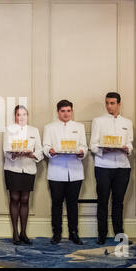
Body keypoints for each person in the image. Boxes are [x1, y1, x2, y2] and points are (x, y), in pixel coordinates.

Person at [90, 92, 133, 245]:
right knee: (102, 201)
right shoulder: (98, 121)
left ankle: (119, 234)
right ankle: (101, 234)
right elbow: (93, 145)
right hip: (103, 166)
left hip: (123, 167)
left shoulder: (127, 122)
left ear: (119, 104)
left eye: (112, 103)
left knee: (118, 202)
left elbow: (130, 144)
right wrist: (103, 150)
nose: (109, 106)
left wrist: (126, 148)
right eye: (107, 103)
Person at [43, 100, 87, 245]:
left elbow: (84, 147)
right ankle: (57, 233)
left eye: (68, 111)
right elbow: (46, 146)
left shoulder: (79, 127)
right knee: (56, 203)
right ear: (58, 112)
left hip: (75, 171)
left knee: (73, 204)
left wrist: (82, 153)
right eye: (63, 111)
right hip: (56, 170)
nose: (66, 114)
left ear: (72, 111)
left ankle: (74, 233)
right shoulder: (49, 127)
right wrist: (50, 151)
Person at [3, 105, 43, 245]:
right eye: (19, 114)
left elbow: (40, 150)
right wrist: (14, 154)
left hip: (28, 168)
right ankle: (15, 232)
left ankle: (23, 232)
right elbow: (6, 150)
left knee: (25, 199)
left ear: (27, 115)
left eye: (24, 114)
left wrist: (31, 154)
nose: (21, 117)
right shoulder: (8, 130)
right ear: (15, 116)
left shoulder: (34, 130)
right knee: (14, 198)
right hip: (12, 168)